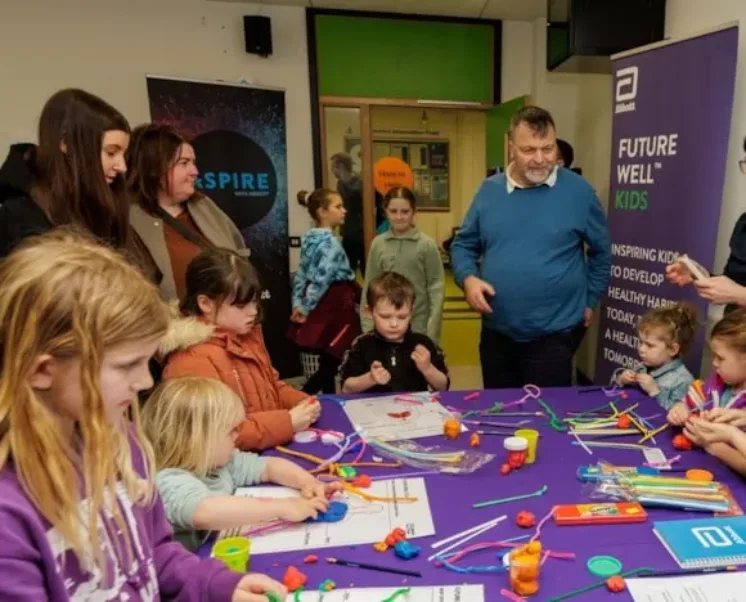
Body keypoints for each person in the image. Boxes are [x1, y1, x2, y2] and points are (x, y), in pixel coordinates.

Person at [0, 230, 286, 601]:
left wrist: (215, 584)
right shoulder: (10, 517)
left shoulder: (124, 443)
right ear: (41, 370)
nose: (145, 380)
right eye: (126, 365)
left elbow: (155, 556)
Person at [451, 106, 611, 388]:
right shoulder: (489, 191)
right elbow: (464, 244)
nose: (540, 159)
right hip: (496, 334)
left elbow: (601, 252)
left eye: (547, 149)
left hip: (555, 335)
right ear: (511, 148)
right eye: (529, 150)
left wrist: (590, 298)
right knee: (499, 414)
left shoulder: (580, 193)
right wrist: (468, 279)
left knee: (545, 419)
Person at [142, 377, 339, 552]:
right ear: (196, 441)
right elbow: (205, 512)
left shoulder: (219, 462)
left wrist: (307, 482)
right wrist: (284, 507)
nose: (237, 435)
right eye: (230, 431)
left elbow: (269, 466)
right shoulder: (168, 479)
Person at [162, 247, 316, 452]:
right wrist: (287, 422)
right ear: (205, 303)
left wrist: (301, 402)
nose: (253, 312)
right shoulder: (190, 360)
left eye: (254, 302)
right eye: (241, 306)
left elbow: (270, 386)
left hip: (265, 450)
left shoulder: (244, 338)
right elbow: (214, 434)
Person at [0, 89, 140, 261]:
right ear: (65, 144)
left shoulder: (106, 204)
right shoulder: (21, 216)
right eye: (111, 152)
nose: (122, 167)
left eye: (123, 154)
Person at [127, 123, 246, 301]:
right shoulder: (128, 219)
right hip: (173, 326)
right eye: (184, 163)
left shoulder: (205, 206)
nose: (195, 172)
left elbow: (240, 256)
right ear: (154, 168)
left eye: (193, 162)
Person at [289, 189, 362, 394]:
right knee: (335, 356)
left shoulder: (309, 239)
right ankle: (304, 396)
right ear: (322, 212)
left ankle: (328, 400)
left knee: (327, 353)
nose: (344, 211)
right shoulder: (331, 243)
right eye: (338, 207)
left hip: (318, 302)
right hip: (335, 303)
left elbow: (302, 274)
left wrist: (299, 302)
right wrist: (304, 307)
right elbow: (322, 279)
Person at [665, 137, 746, 311]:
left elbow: (738, 292)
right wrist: (700, 276)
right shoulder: (744, 222)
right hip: (734, 333)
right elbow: (734, 283)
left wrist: (741, 295)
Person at [340, 272, 449, 394]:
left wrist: (428, 368)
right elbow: (346, 388)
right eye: (385, 317)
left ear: (412, 311)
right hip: (373, 410)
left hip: (415, 410)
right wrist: (370, 378)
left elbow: (443, 387)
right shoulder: (361, 344)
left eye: (402, 317)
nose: (394, 324)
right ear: (369, 312)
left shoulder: (423, 343)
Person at [362, 187, 445, 342]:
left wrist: (432, 331)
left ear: (414, 212)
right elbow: (369, 285)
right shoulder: (378, 244)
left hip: (418, 326)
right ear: (385, 212)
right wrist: (367, 327)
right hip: (385, 326)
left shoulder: (426, 244)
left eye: (405, 212)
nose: (399, 217)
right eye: (393, 211)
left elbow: (436, 289)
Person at [668, 309, 746, 427]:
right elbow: (692, 402)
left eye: (720, 358)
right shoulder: (716, 381)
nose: (714, 363)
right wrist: (680, 409)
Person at [615, 303, 698, 409]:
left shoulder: (683, 381)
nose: (641, 349)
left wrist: (655, 392)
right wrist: (623, 380)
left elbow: (679, 417)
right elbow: (618, 390)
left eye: (649, 345)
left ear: (672, 349)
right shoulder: (643, 367)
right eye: (641, 342)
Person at [330, 152, 365, 275]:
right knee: (347, 270)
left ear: (341, 166)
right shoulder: (340, 184)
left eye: (333, 167)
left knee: (366, 270)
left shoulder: (359, 183)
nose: (332, 171)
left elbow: (358, 202)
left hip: (361, 233)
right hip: (348, 232)